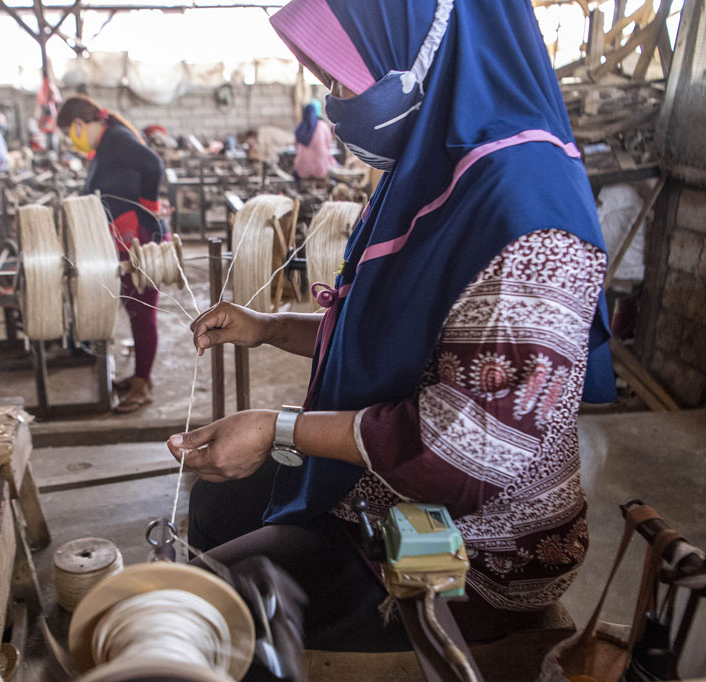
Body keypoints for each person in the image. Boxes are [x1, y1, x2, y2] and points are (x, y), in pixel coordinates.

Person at [166, 0, 616, 660]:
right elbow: (396, 333)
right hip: (393, 486)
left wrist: (276, 427)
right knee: (213, 506)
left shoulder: (527, 210)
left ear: (422, 51)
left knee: (213, 609)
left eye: (346, 78)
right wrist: (268, 327)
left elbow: (468, 454)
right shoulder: (442, 170)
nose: (337, 101)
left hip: (477, 545)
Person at [56, 95, 166, 413]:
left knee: (142, 313)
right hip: (123, 235)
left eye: (69, 133)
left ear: (79, 124)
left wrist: (151, 208)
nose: (69, 140)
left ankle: (143, 385)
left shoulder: (116, 139)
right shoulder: (106, 143)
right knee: (134, 309)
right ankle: (140, 376)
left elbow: (153, 165)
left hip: (139, 237)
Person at [292, 99, 335, 183]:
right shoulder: (323, 126)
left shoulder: (300, 128)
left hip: (302, 170)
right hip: (320, 169)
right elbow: (329, 145)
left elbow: (295, 146)